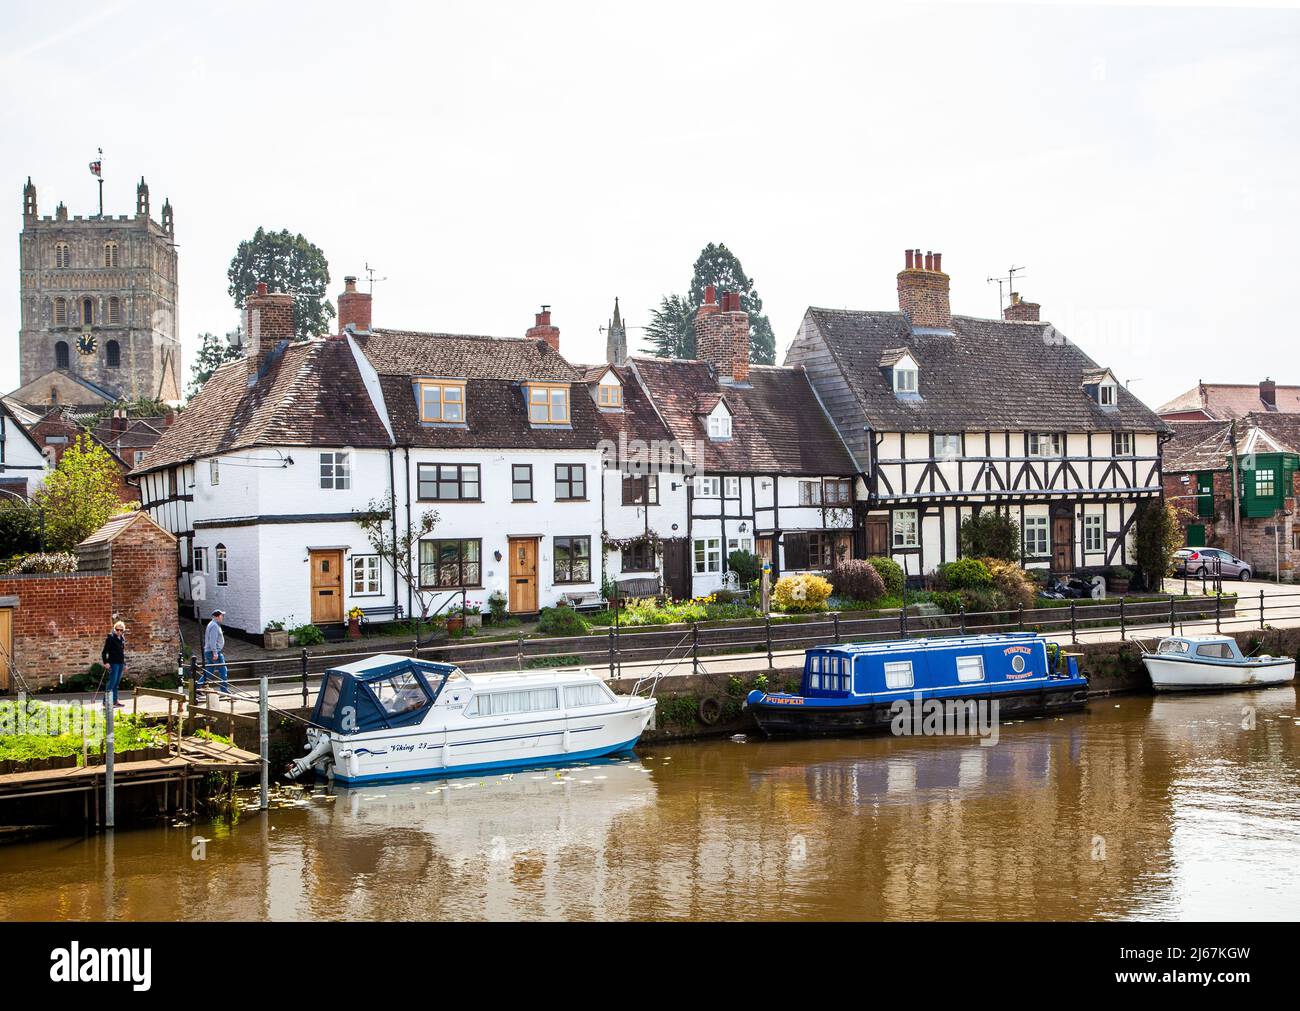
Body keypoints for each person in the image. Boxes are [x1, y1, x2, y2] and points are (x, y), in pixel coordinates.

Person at [200, 609, 229, 696]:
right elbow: (212, 641)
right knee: (223, 670)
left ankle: (197, 687)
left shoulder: (212, 624)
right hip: (213, 652)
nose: (222, 617)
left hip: (209, 652)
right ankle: (224, 690)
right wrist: (215, 653)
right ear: (217, 616)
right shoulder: (214, 626)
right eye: (221, 615)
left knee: (209, 671)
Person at [100, 620, 127, 708]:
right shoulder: (110, 638)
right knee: (112, 683)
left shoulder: (122, 639)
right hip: (113, 663)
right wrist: (105, 662)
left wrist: (124, 664)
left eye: (121, 630)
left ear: (123, 630)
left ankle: (115, 701)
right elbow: (104, 652)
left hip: (120, 664)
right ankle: (106, 702)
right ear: (114, 629)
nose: (119, 631)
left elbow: (122, 653)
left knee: (116, 683)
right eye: (117, 629)